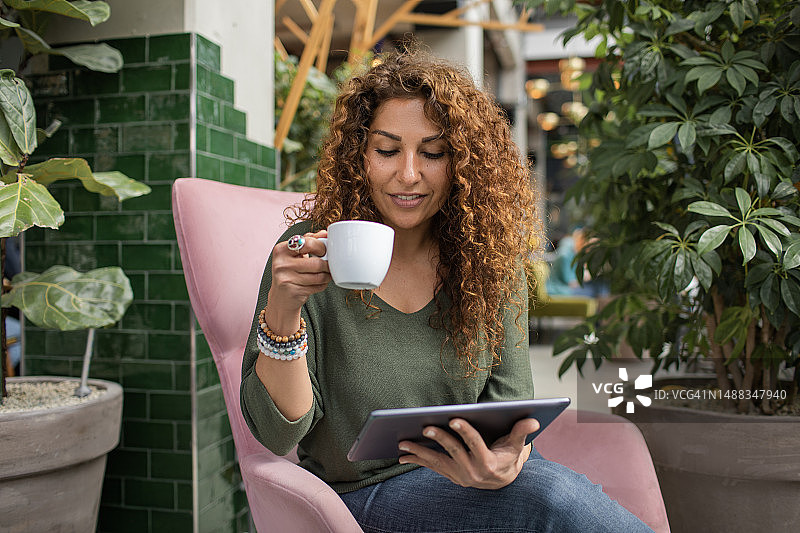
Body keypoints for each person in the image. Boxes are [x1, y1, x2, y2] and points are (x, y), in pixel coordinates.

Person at [241, 51, 653, 532]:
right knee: (553, 499)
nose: (409, 174)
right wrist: (284, 308)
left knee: (549, 492)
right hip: (361, 500)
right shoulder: (312, 255)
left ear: (461, 163)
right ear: (360, 155)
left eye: (433, 153)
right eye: (387, 150)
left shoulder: (487, 259)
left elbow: (512, 411)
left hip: (475, 488)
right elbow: (276, 433)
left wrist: (505, 461)